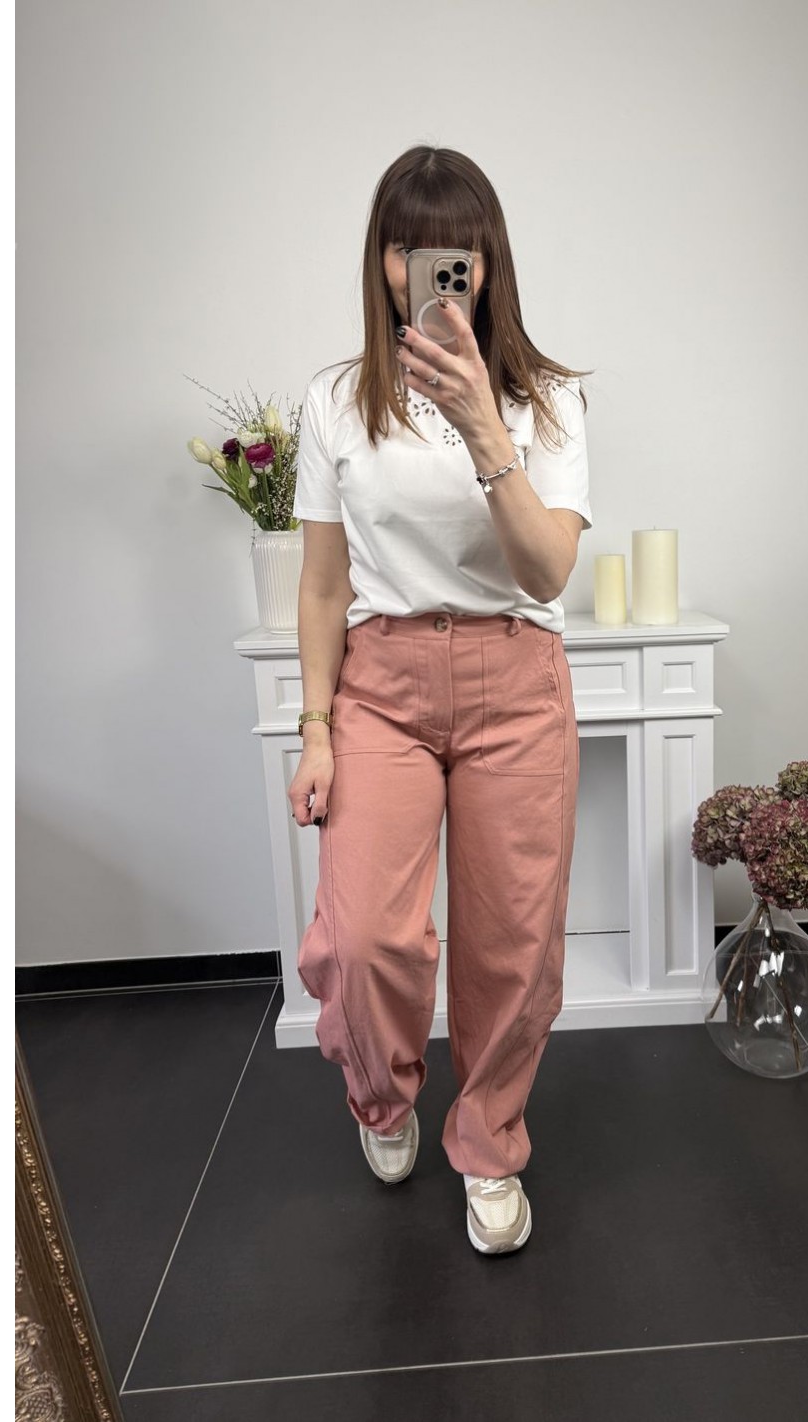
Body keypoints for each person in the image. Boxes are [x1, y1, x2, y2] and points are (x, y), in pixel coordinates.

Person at [287, 145, 593, 1255]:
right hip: (382, 686)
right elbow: (323, 584)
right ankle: (383, 1097)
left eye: (451, 251)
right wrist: (316, 730)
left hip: (516, 680)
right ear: (381, 261)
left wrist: (482, 427)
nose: (427, 270)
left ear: (486, 261)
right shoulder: (336, 400)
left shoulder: (546, 399)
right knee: (366, 938)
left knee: (511, 943)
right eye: (405, 248)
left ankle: (489, 1138)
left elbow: (546, 572)